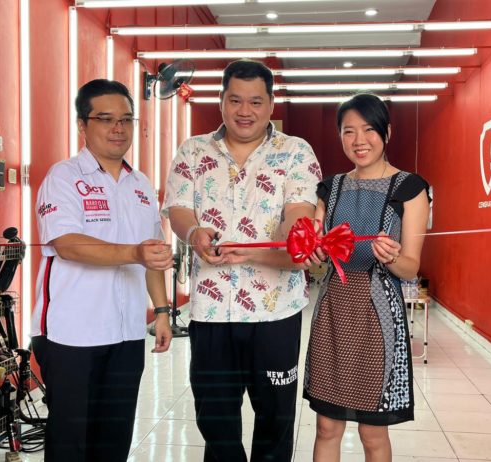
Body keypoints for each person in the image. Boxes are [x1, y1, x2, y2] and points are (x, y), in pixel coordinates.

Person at [162, 59, 322, 461]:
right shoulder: (193, 150)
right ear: (221, 101)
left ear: (271, 104)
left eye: (255, 101)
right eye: (235, 100)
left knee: (276, 418)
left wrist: (292, 238)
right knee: (215, 420)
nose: (244, 111)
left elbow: (298, 212)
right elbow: (178, 210)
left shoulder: (296, 152)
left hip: (276, 312)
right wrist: (193, 233)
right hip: (211, 311)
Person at [30, 79, 174, 462]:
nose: (118, 128)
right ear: (82, 124)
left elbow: (152, 255)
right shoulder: (64, 177)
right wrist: (134, 252)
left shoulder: (140, 185)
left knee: (114, 438)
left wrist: (161, 311)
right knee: (70, 441)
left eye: (126, 119)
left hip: (127, 334)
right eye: (106, 119)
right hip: (71, 334)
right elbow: (67, 244)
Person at [303, 93, 430, 462]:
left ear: (386, 133)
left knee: (372, 431)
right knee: (326, 427)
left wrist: (392, 257)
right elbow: (316, 253)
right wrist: (312, 251)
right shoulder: (330, 188)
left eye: (369, 129)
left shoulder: (410, 189)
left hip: (378, 316)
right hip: (333, 310)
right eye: (349, 131)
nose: (359, 140)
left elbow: (411, 267)